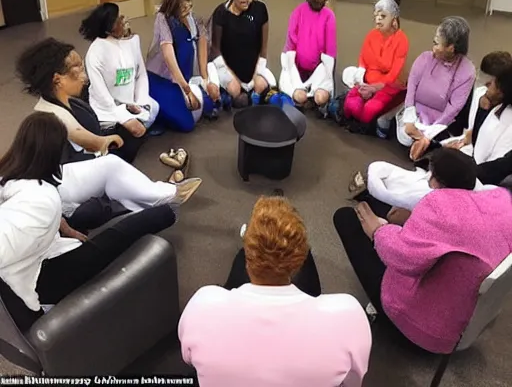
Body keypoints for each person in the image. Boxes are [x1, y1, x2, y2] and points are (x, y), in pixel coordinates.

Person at [0, 112, 180, 333]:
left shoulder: (11, 178)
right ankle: (167, 209)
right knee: (109, 243)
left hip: (35, 263)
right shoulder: (40, 199)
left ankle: (161, 208)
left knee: (98, 229)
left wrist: (64, 226)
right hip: (37, 287)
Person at [179, 194, 371, 387]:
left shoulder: (204, 305)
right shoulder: (348, 315)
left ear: (249, 252)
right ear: (297, 261)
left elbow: (188, 359)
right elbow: (352, 382)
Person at [16, 39, 201, 233]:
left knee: (119, 162)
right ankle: (168, 192)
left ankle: (155, 198)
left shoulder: (73, 102)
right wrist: (105, 140)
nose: (84, 77)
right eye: (77, 70)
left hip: (72, 171)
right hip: (59, 185)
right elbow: (81, 135)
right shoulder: (48, 114)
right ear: (58, 79)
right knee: (111, 165)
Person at [333, 184, 512, 354]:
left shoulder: (443, 208)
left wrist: (379, 231)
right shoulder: (503, 204)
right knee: (386, 212)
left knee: (345, 217)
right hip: (461, 327)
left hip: (416, 330)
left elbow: (401, 257)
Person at [355, 60, 512, 211]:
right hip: (471, 163)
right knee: (423, 172)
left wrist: (458, 169)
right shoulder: (489, 104)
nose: (485, 86)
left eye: (491, 84)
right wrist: (449, 143)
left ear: (502, 91)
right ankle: (380, 189)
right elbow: (471, 133)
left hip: (481, 178)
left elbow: (496, 167)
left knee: (427, 185)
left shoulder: (506, 120)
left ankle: (384, 196)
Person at [396, 16, 475, 160]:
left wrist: (428, 135)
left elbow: (454, 109)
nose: (433, 48)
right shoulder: (424, 58)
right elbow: (411, 89)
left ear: (451, 48)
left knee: (449, 147)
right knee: (405, 138)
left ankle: (428, 144)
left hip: (440, 122)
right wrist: (409, 119)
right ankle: (426, 144)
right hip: (416, 114)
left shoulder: (467, 71)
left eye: (437, 44)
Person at [80, 3, 160, 141]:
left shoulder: (132, 42)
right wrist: (122, 115)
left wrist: (140, 102)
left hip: (131, 103)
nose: (125, 20)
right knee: (133, 131)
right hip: (109, 108)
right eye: (119, 19)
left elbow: (140, 74)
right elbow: (101, 93)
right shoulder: (96, 52)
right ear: (109, 27)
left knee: (154, 107)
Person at [146, 0, 221, 133]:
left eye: (190, 6)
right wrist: (187, 90)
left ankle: (182, 103)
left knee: (209, 103)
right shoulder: (163, 19)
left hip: (183, 79)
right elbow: (168, 56)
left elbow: (202, 44)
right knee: (186, 124)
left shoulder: (193, 19)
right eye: (183, 8)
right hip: (162, 79)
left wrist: (206, 81)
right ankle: (157, 114)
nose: (188, 11)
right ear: (173, 7)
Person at [342, 0, 409, 136]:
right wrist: (362, 81)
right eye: (376, 17)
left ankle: (368, 124)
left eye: (383, 16)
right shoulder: (371, 35)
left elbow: (394, 75)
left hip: (388, 87)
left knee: (370, 110)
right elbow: (363, 61)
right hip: (367, 81)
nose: (378, 20)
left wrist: (375, 88)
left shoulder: (401, 40)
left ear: (394, 19)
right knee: (351, 105)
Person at [210, 0, 276, 107]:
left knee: (261, 85)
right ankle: (226, 95)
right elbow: (215, 48)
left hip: (252, 66)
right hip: (228, 66)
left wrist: (259, 69)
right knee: (238, 97)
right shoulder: (221, 12)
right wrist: (230, 75)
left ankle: (255, 96)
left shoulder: (259, 8)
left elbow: (264, 46)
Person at [279, 0, 336, 111]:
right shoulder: (298, 12)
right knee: (300, 96)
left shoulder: (329, 16)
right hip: (298, 68)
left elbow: (330, 53)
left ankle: (314, 98)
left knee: (320, 98)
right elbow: (290, 45)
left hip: (319, 69)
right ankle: (300, 96)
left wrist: (325, 78)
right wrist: (292, 73)